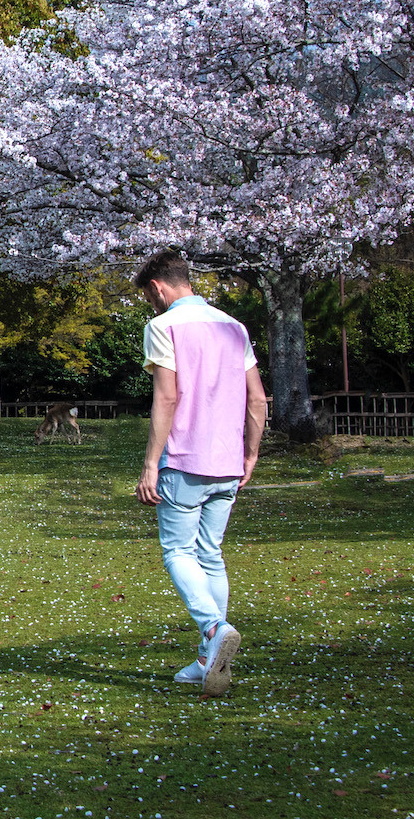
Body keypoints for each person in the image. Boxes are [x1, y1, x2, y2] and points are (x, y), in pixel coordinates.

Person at [133, 250, 268, 695]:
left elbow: (167, 399)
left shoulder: (162, 326)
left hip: (186, 461)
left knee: (177, 551)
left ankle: (213, 630)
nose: (151, 305)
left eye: (149, 297)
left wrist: (151, 463)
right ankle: (205, 661)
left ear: (157, 288)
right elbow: (258, 400)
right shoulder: (235, 327)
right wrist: (250, 454)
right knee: (210, 554)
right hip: (227, 462)